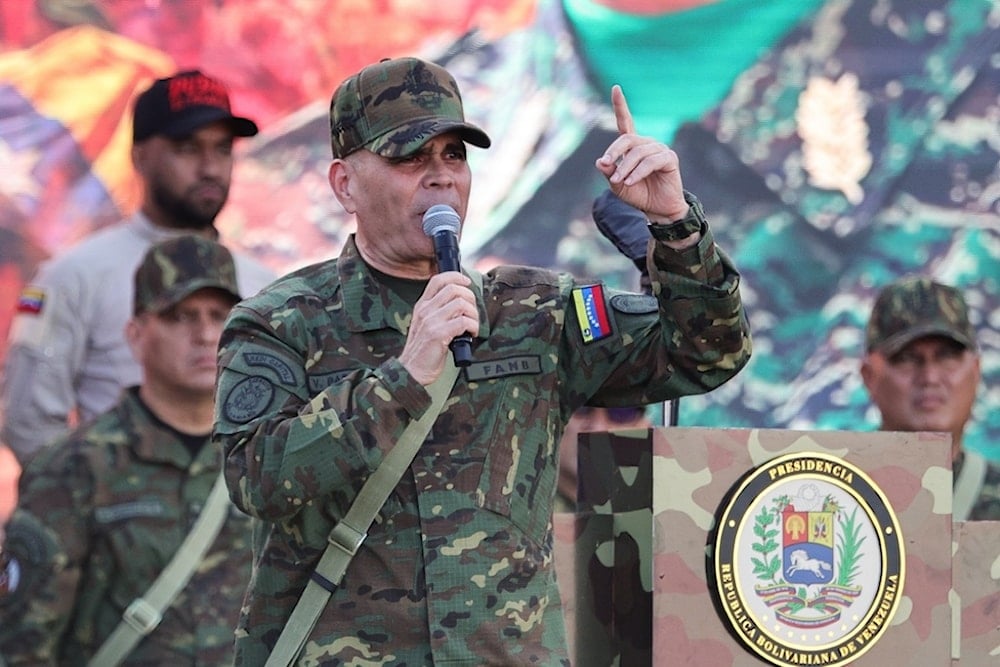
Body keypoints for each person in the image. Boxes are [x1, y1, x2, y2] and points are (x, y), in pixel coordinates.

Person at [212, 55, 751, 665]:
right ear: (345, 184)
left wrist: (676, 227)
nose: (441, 178)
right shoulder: (281, 321)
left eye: (454, 156)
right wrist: (401, 381)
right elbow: (257, 478)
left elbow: (708, 353)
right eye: (410, 158)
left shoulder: (535, 311)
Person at [1, 69, 275, 465]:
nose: (210, 168)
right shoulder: (74, 277)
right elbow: (29, 422)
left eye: (222, 149)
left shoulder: (264, 285)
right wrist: (90, 506)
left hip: (235, 516)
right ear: (139, 156)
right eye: (187, 148)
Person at [0, 235, 252, 664]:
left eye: (219, 315)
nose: (206, 334)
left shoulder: (263, 457)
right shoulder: (74, 470)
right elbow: (23, 647)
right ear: (135, 336)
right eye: (180, 316)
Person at [861, 276, 999, 521]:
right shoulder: (836, 491)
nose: (930, 377)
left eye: (947, 356)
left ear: (976, 370)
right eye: (907, 358)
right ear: (870, 376)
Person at [555, 405, 652, 513]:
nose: (598, 428)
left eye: (622, 412)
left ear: (647, 425)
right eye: (581, 408)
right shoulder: (535, 517)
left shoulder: (664, 515)